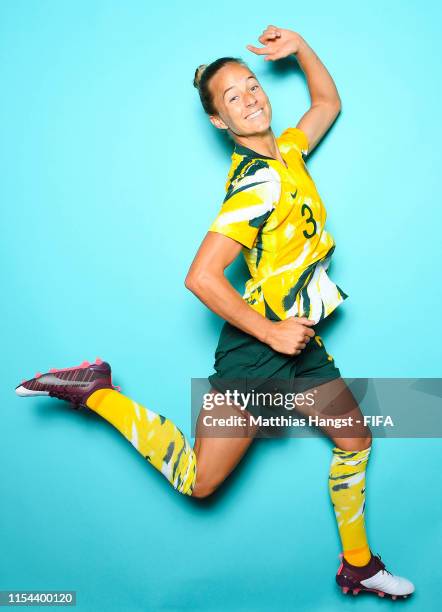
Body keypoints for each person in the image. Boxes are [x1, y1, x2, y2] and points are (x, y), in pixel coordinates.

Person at [15, 25, 414, 601]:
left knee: (355, 439)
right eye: (233, 97)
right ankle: (96, 390)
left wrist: (299, 49)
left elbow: (328, 103)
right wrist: (272, 334)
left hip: (298, 343)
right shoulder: (254, 185)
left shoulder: (290, 155)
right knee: (200, 483)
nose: (250, 97)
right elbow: (200, 277)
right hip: (257, 349)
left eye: (252, 85)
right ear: (218, 122)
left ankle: (358, 564)